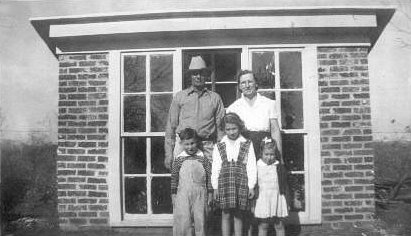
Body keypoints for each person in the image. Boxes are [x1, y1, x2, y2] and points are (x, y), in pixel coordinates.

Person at [164, 55, 225, 170]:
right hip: (184, 145)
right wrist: (168, 153)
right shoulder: (180, 97)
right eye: (195, 73)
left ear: (206, 75)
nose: (198, 76)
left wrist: (222, 153)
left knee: (209, 180)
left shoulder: (215, 98)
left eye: (201, 73)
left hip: (207, 146)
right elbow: (171, 127)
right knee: (182, 180)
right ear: (190, 76)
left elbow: (221, 128)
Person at [211, 113, 257, 236]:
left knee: (238, 214)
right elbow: (215, 167)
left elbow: (251, 165)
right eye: (228, 129)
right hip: (224, 183)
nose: (231, 132)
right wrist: (215, 187)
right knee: (225, 214)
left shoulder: (247, 143)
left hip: (241, 182)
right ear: (224, 129)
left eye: (234, 128)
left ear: (239, 127)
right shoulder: (220, 144)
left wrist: (251, 185)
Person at [227, 70, 282, 159]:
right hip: (243, 151)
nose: (247, 86)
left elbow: (275, 130)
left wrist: (279, 157)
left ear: (256, 84)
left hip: (265, 150)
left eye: (250, 82)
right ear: (239, 86)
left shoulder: (269, 104)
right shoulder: (233, 108)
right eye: (243, 83)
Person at [171, 128, 213, 236]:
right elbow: (174, 178)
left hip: (200, 194)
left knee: (201, 221)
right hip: (183, 194)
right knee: (184, 221)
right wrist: (173, 194)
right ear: (181, 144)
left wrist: (210, 193)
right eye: (187, 144)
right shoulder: (179, 159)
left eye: (192, 143)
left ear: (197, 142)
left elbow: (209, 176)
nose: (190, 147)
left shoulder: (203, 158)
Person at [254, 137, 289, 236]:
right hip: (263, 199)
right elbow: (255, 184)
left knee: (279, 225)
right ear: (261, 153)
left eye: (272, 154)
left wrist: (287, 199)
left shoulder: (278, 166)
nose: (269, 157)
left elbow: (284, 184)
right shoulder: (257, 166)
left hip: (277, 198)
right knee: (263, 225)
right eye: (266, 154)